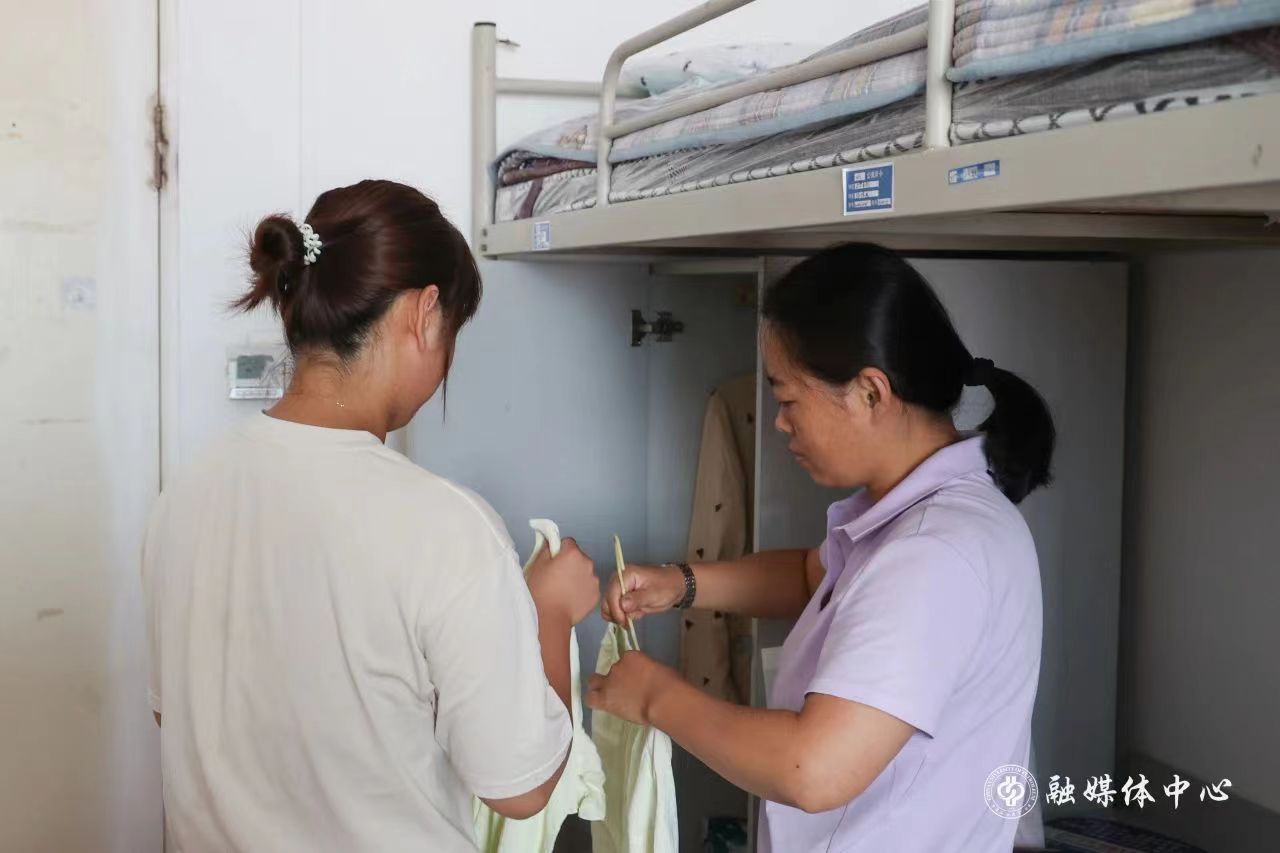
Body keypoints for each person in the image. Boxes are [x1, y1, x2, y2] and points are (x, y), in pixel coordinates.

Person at [141, 179, 599, 852]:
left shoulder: (184, 494)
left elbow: (177, 716)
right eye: (453, 333)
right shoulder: (446, 526)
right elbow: (520, 788)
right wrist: (550, 613)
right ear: (423, 313)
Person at [591, 243, 1052, 852]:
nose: (780, 423)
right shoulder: (926, 517)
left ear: (870, 392)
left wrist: (655, 697)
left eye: (788, 400)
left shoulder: (933, 553)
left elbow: (813, 769)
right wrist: (683, 584)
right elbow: (814, 579)